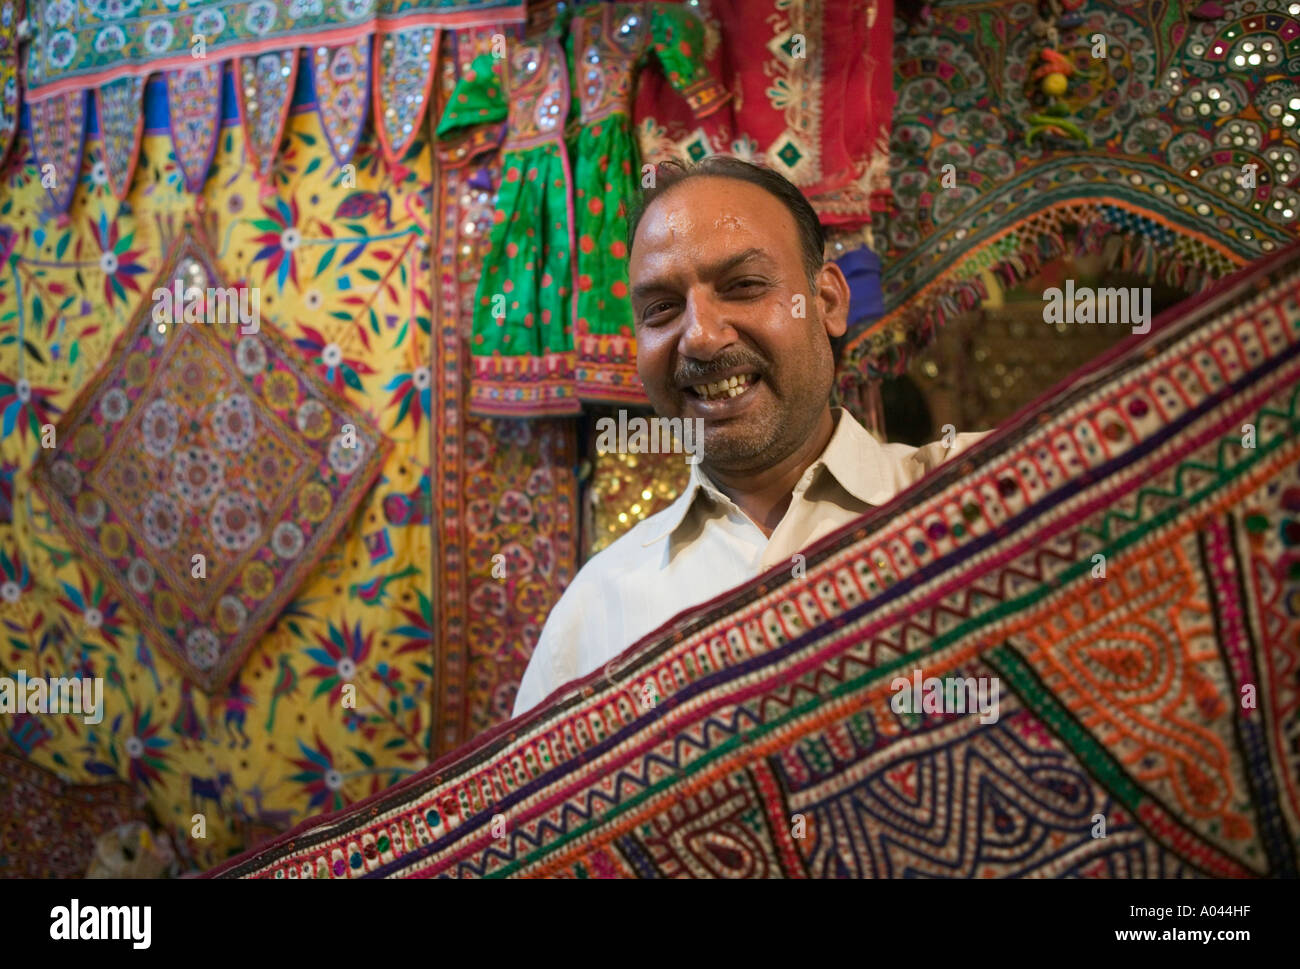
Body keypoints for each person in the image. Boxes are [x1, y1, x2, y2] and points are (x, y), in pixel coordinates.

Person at [512, 156, 985, 717]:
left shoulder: (986, 494)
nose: (702, 337)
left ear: (827, 302)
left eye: (744, 286)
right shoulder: (596, 610)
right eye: (662, 308)